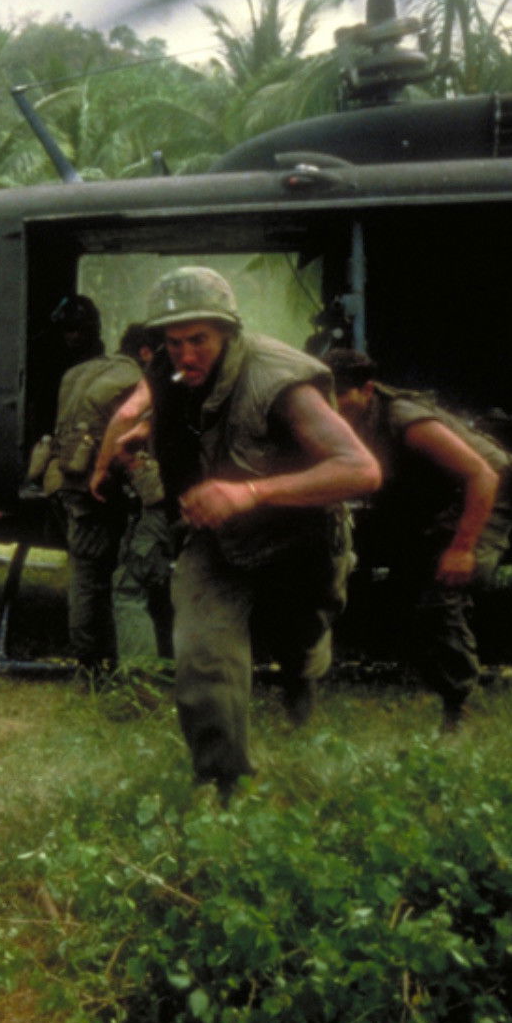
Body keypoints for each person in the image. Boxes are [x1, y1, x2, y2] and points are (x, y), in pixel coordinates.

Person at [92, 267, 380, 801]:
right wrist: (145, 434)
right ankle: (224, 785)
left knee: (300, 646)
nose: (185, 353)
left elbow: (361, 471)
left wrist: (249, 492)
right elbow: (193, 416)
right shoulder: (173, 373)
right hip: (217, 539)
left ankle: (300, 689)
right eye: (174, 341)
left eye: (198, 339)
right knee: (202, 656)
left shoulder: (280, 381)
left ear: (227, 332)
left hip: (300, 540)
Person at [325, 349, 512, 731]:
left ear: (367, 390)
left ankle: (461, 707)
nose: (331, 404)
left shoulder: (406, 420)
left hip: (485, 492)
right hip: (433, 495)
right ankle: (430, 675)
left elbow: (482, 476)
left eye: (341, 395)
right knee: (403, 590)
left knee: (440, 594)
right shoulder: (346, 415)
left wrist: (462, 548)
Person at [46, 318, 170, 672]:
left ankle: (89, 663)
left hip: (64, 480)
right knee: (109, 577)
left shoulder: (79, 372)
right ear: (146, 352)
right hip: (99, 486)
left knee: (85, 571)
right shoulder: (133, 379)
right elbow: (127, 422)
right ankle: (107, 663)